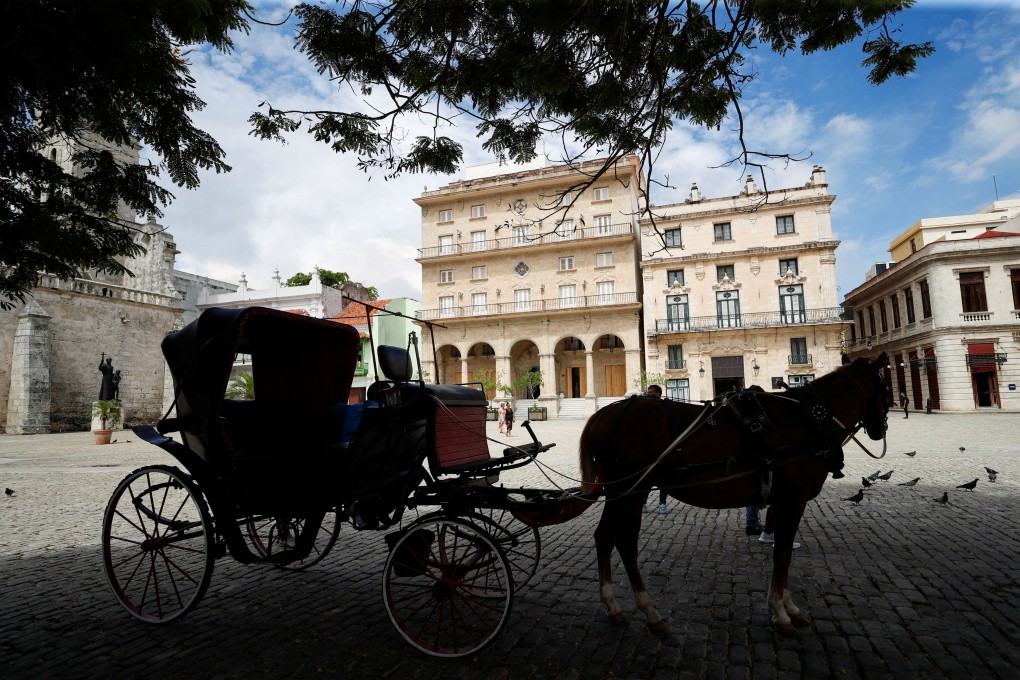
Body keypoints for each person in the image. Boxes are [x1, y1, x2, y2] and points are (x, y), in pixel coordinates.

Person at [642, 385, 669, 514]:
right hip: (648, 450)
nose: (648, 394)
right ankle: (643, 503)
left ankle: (662, 504)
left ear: (658, 394)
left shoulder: (664, 407)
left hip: (662, 449)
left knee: (664, 481)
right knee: (646, 481)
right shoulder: (645, 407)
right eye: (647, 392)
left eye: (651, 392)